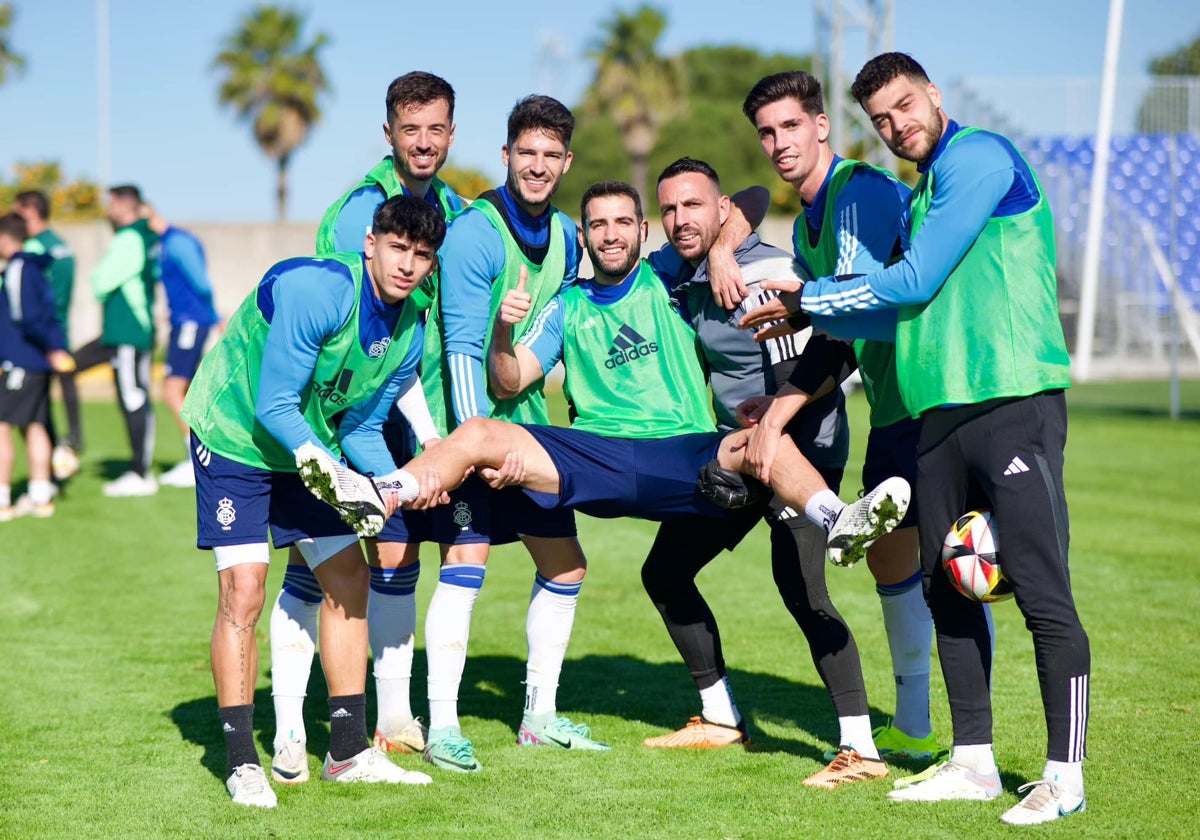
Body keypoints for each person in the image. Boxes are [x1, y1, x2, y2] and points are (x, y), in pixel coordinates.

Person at [299, 182, 910, 669]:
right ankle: (382, 493)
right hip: (594, 455)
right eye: (597, 224)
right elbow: (510, 383)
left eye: (623, 223)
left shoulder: (666, 275)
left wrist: (723, 248)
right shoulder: (566, 305)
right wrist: (504, 330)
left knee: (759, 441)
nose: (610, 234)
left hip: (680, 453)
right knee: (480, 433)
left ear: (642, 232)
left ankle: (839, 519)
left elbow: (746, 197)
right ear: (584, 235)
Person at [742, 53, 1090, 825]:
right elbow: (891, 314)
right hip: (937, 417)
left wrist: (810, 291)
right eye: (884, 119)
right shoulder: (928, 187)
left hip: (1012, 397)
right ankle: (972, 763)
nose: (898, 126)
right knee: (944, 586)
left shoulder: (978, 158)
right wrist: (811, 315)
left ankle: (1066, 777)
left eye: (905, 106)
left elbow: (916, 280)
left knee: (1039, 591)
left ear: (935, 94)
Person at [179, 195, 443, 807]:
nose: (408, 265)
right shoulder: (318, 290)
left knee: (351, 574)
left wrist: (397, 481)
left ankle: (348, 751)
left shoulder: (410, 330)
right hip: (235, 435)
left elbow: (361, 429)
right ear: (372, 243)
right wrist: (336, 476)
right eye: (399, 248)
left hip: (307, 442)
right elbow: (273, 405)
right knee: (244, 587)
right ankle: (243, 761)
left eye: (422, 255)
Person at [630, 159, 887, 789]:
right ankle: (720, 717)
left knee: (802, 590)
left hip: (800, 450)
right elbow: (623, 258)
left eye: (694, 205)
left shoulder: (768, 272)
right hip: (738, 452)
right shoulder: (679, 268)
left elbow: (829, 358)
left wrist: (776, 424)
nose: (679, 219)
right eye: (668, 209)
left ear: (722, 211)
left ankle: (862, 750)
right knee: (664, 571)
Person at [739, 70, 947, 766]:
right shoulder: (805, 224)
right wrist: (776, 407)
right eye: (767, 132)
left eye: (791, 126)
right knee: (893, 560)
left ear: (822, 126)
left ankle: (977, 745)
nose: (779, 142)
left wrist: (776, 420)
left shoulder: (857, 192)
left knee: (961, 569)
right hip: (893, 404)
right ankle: (914, 725)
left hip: (940, 395)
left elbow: (853, 305)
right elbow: (838, 338)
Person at [268, 71, 463, 781]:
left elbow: (420, 338)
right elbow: (340, 339)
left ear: (450, 133)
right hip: (325, 419)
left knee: (392, 559)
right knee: (315, 565)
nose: (423, 141)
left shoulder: (451, 207)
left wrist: (436, 437)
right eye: (409, 129)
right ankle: (294, 729)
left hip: (399, 418)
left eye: (435, 128)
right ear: (389, 134)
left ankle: (388, 717)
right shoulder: (365, 212)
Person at [415, 94, 599, 773]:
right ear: (506, 155)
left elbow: (550, 342)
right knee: (467, 563)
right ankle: (442, 726)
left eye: (552, 155)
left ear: (567, 161)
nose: (539, 166)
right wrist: (472, 450)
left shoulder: (570, 239)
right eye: (527, 153)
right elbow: (461, 348)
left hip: (526, 430)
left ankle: (539, 717)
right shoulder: (474, 232)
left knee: (565, 563)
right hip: (463, 430)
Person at [77, 185, 159, 497]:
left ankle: (140, 473)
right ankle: (139, 469)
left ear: (124, 205)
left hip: (129, 332)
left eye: (112, 203)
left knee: (133, 397)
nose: (108, 209)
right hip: (127, 332)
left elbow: (101, 281)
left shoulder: (130, 238)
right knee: (133, 396)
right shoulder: (145, 236)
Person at [0, 213, 75, 519]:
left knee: (2, 426)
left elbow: (26, 316)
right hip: (37, 360)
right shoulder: (37, 268)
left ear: (6, 238)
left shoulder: (18, 267)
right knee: (35, 425)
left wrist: (50, 347)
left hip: (22, 360)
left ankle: (3, 500)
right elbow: (50, 313)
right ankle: (41, 497)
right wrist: (55, 349)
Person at [141, 207, 220, 488]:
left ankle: (196, 460)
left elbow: (200, 282)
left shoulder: (177, 242)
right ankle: (199, 458)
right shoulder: (165, 243)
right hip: (183, 321)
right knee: (182, 390)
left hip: (190, 323)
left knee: (171, 390)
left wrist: (214, 317)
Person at [12, 190, 81, 477]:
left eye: (18, 213)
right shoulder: (61, 245)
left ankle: (47, 473)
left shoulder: (32, 250)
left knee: (29, 413)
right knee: (51, 398)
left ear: (31, 211)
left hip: (35, 338)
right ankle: (70, 446)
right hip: (56, 333)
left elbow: (32, 301)